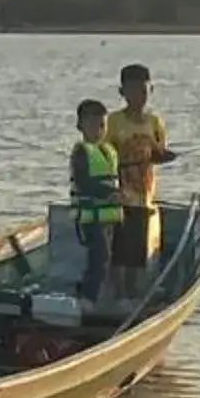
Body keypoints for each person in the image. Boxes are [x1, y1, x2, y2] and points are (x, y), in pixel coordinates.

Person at [104, 61, 175, 302]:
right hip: (117, 194)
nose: (139, 97)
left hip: (143, 195)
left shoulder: (155, 122)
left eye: (144, 91)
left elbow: (158, 153)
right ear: (122, 92)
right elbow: (103, 152)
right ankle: (117, 292)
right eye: (133, 91)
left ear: (151, 91)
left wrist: (166, 157)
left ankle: (131, 292)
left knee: (136, 250)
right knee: (117, 250)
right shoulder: (112, 121)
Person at [68, 98, 120, 305]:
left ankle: (90, 295)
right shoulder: (81, 152)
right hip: (90, 217)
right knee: (99, 258)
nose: (98, 130)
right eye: (92, 125)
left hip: (108, 216)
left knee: (104, 259)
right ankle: (87, 299)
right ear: (80, 125)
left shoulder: (108, 150)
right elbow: (84, 182)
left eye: (102, 125)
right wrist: (109, 193)